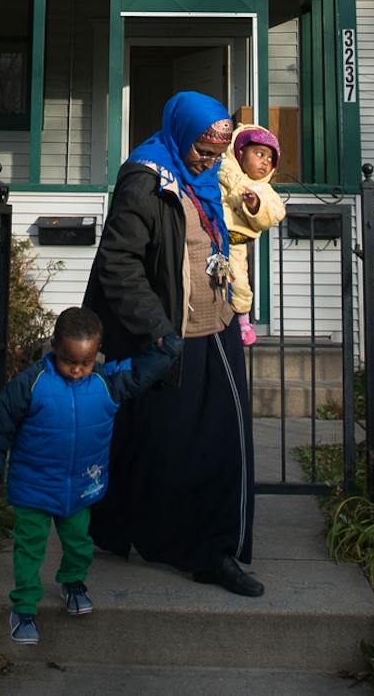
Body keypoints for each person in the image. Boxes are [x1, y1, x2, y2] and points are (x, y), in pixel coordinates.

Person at [83, 90, 263, 596]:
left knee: (218, 442)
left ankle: (212, 552)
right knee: (162, 443)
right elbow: (118, 263)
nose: (208, 160)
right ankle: (152, 535)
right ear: (179, 133)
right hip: (169, 335)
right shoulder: (146, 180)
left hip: (213, 324)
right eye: (201, 151)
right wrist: (157, 327)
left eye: (217, 152)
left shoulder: (204, 181)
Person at [0, 306, 181, 646]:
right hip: (33, 488)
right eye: (69, 361)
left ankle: (72, 582)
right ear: (54, 346)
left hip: (81, 487)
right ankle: (24, 608)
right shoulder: (30, 383)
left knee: (79, 544)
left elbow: (142, 371)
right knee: (29, 549)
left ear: (96, 354)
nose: (76, 370)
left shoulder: (105, 382)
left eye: (85, 363)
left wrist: (168, 347)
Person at [218, 125, 288, 346]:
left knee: (239, 281)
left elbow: (275, 213)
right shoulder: (221, 172)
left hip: (236, 244)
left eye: (270, 159)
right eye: (259, 154)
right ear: (240, 154)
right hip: (211, 239)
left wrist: (255, 204)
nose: (265, 162)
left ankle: (242, 319)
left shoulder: (263, 190)